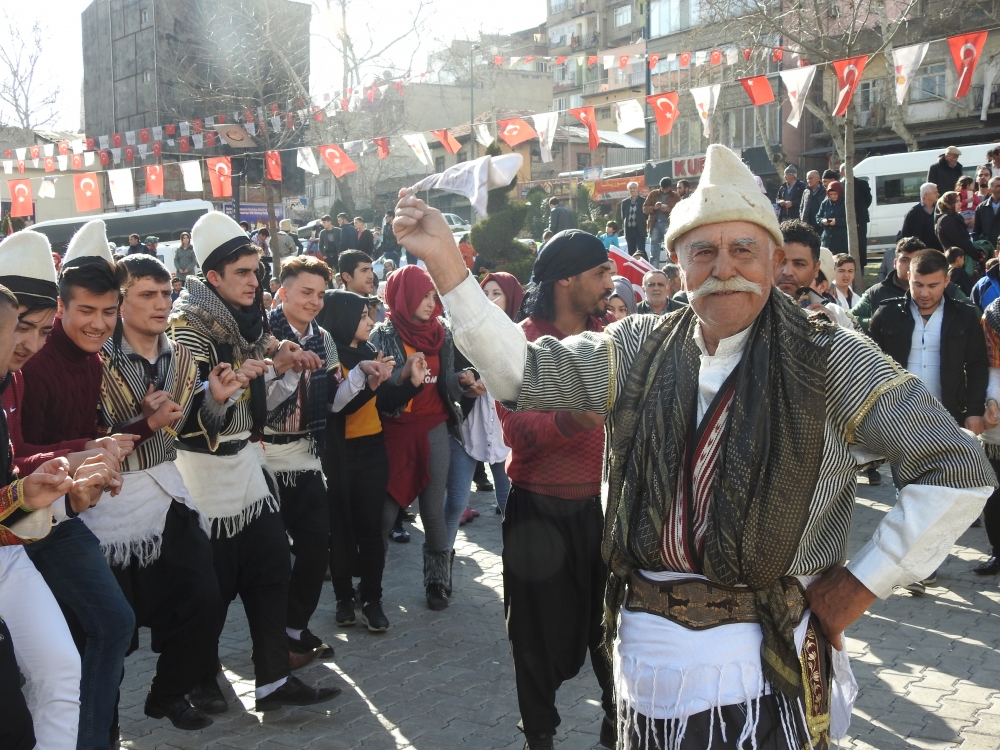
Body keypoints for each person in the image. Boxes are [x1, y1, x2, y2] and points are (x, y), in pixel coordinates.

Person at [395, 142, 996, 750]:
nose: (724, 266)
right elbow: (519, 371)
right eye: (703, 251)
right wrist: (448, 265)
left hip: (768, 664)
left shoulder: (832, 358)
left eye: (743, 249)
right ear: (679, 264)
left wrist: (860, 585)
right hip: (646, 661)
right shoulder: (635, 345)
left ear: (774, 260)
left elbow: (959, 468)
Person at [168, 211, 341, 713]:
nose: (254, 281)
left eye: (256, 270)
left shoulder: (249, 318)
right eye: (242, 273)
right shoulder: (188, 326)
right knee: (213, 588)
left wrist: (279, 357)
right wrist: (246, 381)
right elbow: (191, 414)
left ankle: (272, 681)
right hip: (205, 472)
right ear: (213, 277)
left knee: (271, 568)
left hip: (246, 464)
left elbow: (265, 355)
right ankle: (200, 673)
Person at [474, 230, 615, 750]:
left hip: (600, 508)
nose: (610, 282)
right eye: (600, 273)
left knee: (612, 630)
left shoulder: (611, 339)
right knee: (534, 638)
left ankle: (617, 727)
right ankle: (540, 737)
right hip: (536, 512)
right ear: (568, 280)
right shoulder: (519, 342)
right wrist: (576, 419)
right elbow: (516, 432)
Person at [85, 253, 233, 729]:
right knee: (117, 627)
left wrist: (214, 400)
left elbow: (191, 430)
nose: (161, 304)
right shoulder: (96, 357)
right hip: (107, 502)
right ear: (121, 302)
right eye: (147, 295)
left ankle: (168, 692)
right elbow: (86, 435)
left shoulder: (185, 356)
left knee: (205, 596)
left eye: (166, 293)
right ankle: (103, 725)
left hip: (167, 488)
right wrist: (141, 422)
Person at [17, 220, 138, 750]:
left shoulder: (92, 359)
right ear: (61, 308)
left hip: (59, 511)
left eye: (108, 312)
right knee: (107, 625)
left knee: (103, 630)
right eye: (85, 311)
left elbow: (76, 434)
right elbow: (23, 455)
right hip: (27, 522)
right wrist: (84, 454)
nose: (98, 324)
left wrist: (114, 442)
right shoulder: (32, 363)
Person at [0, 230, 113, 750]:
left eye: (41, 330)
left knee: (63, 673)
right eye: (18, 326)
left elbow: (13, 497)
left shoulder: (16, 377)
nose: (26, 344)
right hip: (18, 543)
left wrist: (54, 493)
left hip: (11, 553)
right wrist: (70, 462)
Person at [870, 247, 989, 594]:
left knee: (938, 495)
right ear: (908, 277)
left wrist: (974, 410)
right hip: (899, 420)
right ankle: (915, 564)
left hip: (946, 418)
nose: (924, 293)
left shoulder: (965, 316)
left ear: (947, 281)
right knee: (906, 493)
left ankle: (924, 564)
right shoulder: (887, 315)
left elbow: (977, 366)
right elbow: (871, 366)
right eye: (918, 284)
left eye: (933, 285)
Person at [369, 265, 468, 611]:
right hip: (394, 430)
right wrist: (404, 373)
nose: (431, 303)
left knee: (433, 511)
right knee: (384, 512)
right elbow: (376, 387)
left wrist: (463, 381)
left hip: (434, 427)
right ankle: (371, 587)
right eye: (423, 296)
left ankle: (438, 583)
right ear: (404, 295)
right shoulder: (381, 336)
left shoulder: (443, 334)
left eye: (432, 296)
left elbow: (445, 385)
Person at [316, 290, 406, 631]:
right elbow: (340, 407)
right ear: (343, 318)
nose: (371, 322)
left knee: (371, 528)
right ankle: (343, 599)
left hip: (371, 450)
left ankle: (372, 599)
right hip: (337, 454)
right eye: (364, 316)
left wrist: (411, 381)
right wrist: (369, 384)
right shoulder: (329, 356)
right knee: (339, 530)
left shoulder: (370, 352)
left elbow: (383, 400)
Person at [443, 272, 521, 549]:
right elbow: (447, 383)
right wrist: (464, 382)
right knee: (454, 503)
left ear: (511, 299)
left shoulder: (521, 337)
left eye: (496, 294)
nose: (488, 300)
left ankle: (516, 570)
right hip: (467, 432)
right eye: (484, 294)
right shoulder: (460, 335)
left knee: (508, 502)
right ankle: (439, 575)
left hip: (506, 435)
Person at [775, 220, 854, 330]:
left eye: (799, 264)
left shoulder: (837, 315)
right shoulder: (750, 311)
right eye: (780, 262)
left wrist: (834, 333)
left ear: (816, 269)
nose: (787, 271)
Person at [974, 300, 1000, 575]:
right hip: (997, 425)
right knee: (994, 495)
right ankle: (998, 551)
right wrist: (991, 401)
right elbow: (991, 368)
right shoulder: (994, 315)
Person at [936, 191, 982, 272]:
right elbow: (961, 242)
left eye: (960, 201)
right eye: (956, 201)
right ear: (948, 203)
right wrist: (978, 256)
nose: (960, 204)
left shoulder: (955, 217)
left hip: (962, 261)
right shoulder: (946, 220)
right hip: (956, 264)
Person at [841, 164, 873, 267]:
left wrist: (859, 211)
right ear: (842, 173)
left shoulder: (862, 184)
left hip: (860, 220)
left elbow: (868, 200)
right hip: (843, 220)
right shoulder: (839, 185)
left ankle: (860, 267)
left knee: (861, 244)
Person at [643, 177, 679, 266]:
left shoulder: (675, 196)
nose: (665, 191)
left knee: (670, 250)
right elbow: (644, 208)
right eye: (663, 189)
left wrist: (669, 209)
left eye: (667, 189)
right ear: (660, 187)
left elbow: (680, 210)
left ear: (670, 187)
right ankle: (653, 272)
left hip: (669, 224)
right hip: (654, 224)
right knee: (654, 251)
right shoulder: (653, 194)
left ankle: (670, 272)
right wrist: (654, 208)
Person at [900, 182, 943, 252]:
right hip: (920, 254)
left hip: (938, 253)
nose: (938, 194)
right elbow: (905, 235)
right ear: (926, 195)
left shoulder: (940, 210)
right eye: (935, 192)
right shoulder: (912, 213)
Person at [817, 180, 848, 256]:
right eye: (831, 194)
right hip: (827, 238)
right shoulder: (825, 203)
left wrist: (837, 221)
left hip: (841, 239)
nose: (833, 196)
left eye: (835, 194)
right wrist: (822, 221)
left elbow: (849, 219)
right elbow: (818, 217)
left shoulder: (845, 203)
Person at [619, 182, 647, 257]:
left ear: (637, 189)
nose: (632, 190)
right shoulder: (625, 202)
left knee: (641, 251)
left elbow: (646, 215)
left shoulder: (643, 200)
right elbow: (623, 216)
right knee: (631, 252)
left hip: (639, 230)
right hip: (629, 230)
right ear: (628, 190)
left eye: (634, 188)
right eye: (630, 188)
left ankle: (645, 267)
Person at [974, 176, 1000, 252]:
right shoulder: (981, 208)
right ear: (990, 190)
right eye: (998, 186)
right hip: (987, 250)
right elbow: (977, 230)